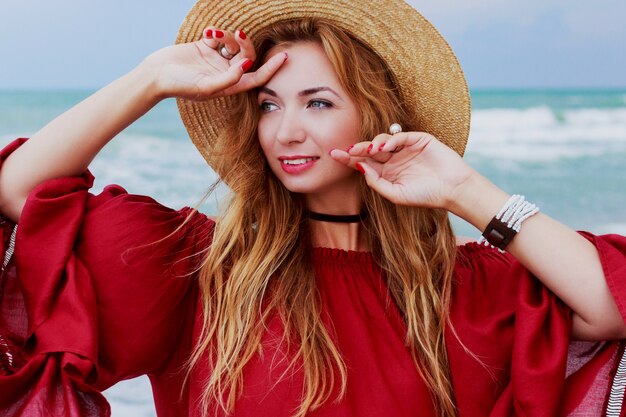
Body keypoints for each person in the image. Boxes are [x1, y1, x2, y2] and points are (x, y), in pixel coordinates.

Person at [0, 0, 625, 416]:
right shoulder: (196, 266)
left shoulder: (462, 289)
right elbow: (18, 196)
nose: (286, 131)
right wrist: (151, 79)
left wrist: (466, 190)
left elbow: (613, 304)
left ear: (375, 114)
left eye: (318, 102)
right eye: (268, 104)